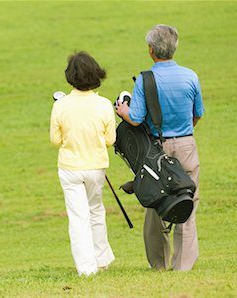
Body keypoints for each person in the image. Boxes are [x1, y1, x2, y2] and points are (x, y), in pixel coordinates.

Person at [116, 24, 204, 271]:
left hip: (157, 150)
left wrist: (122, 111)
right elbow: (197, 114)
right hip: (187, 144)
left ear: (151, 50)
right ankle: (183, 266)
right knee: (188, 200)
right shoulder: (191, 76)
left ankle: (159, 263)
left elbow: (135, 117)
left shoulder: (145, 80)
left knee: (157, 201)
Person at [50, 51, 116, 276]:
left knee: (78, 217)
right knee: (96, 210)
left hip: (70, 168)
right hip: (96, 167)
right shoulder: (104, 104)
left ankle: (87, 269)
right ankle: (102, 258)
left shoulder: (61, 105)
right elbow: (110, 140)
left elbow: (55, 140)